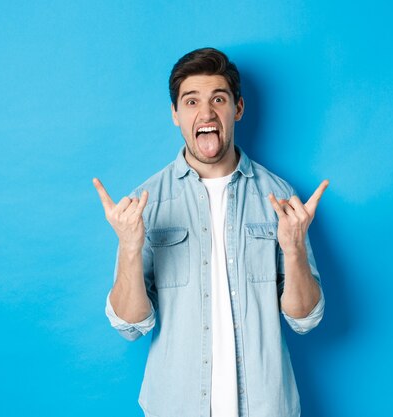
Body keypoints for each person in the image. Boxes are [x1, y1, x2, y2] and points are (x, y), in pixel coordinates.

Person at [93, 47, 328, 417]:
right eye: (191, 101)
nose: (206, 113)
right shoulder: (147, 204)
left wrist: (295, 249)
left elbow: (305, 319)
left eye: (218, 98)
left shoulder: (280, 198)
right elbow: (130, 326)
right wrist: (128, 247)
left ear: (237, 108)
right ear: (175, 114)